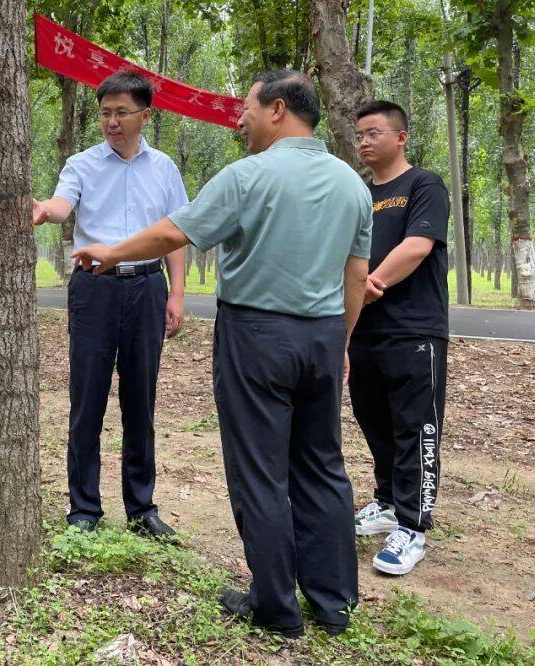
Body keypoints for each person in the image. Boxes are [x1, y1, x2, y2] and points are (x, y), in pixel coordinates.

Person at [73, 70, 372, 637]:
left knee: (260, 470)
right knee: (323, 465)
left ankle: (276, 606)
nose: (239, 118)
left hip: (258, 336)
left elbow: (172, 234)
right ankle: (334, 605)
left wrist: (112, 252)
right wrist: (343, 342)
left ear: (278, 109)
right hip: (325, 337)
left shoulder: (247, 177)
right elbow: (355, 275)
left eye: (248, 108)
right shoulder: (351, 184)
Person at [32, 70, 188, 539]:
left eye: (122, 112)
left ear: (146, 114)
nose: (112, 122)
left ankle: (142, 508)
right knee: (88, 398)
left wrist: (176, 294)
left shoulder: (164, 169)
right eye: (105, 113)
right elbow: (63, 204)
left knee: (141, 400)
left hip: (147, 289)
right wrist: (43, 209)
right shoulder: (81, 163)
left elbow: (176, 233)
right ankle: (84, 509)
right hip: (94, 289)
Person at [348, 100, 449, 577]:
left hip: (413, 330)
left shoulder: (424, 185)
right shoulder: (359, 193)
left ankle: (413, 524)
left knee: (416, 429)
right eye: (359, 135)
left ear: (400, 137)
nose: (364, 142)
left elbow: (416, 246)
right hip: (362, 331)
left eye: (374, 133)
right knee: (374, 421)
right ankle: (387, 501)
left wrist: (369, 289)